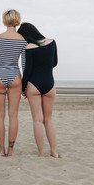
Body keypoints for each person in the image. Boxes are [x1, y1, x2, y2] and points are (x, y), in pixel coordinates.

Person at [0, 9, 27, 157]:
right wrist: (25, 85)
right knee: (13, 115)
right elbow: (24, 64)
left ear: (5, 20)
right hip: (15, 76)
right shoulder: (23, 40)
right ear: (17, 19)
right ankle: (11, 150)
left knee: (0, 116)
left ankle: (1, 150)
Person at [17, 22, 59, 158]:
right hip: (49, 83)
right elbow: (55, 63)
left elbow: (27, 71)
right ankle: (54, 152)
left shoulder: (29, 47)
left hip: (33, 85)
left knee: (37, 120)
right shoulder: (52, 42)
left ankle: (41, 153)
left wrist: (23, 88)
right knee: (48, 120)